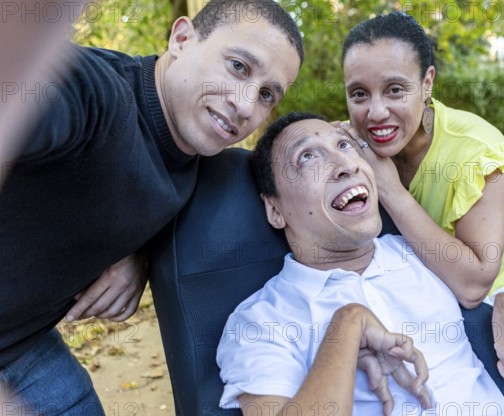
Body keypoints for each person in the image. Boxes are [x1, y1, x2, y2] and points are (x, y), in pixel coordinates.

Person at [0, 1, 302, 414]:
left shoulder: (193, 155)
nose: (247, 105)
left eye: (267, 94)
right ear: (181, 39)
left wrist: (140, 253)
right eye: (237, 67)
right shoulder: (98, 95)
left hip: (25, 343)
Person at [216, 112, 504, 415]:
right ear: (275, 210)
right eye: (307, 157)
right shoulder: (261, 321)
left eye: (344, 145)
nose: (347, 165)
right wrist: (348, 325)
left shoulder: (422, 251)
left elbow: (479, 284)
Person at [337, 11, 504, 411]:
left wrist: (390, 189)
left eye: (395, 90)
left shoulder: (476, 152)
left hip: (500, 284)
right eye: (359, 94)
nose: (376, 112)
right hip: (426, 283)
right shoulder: (353, 145)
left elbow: (474, 284)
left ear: (427, 84)